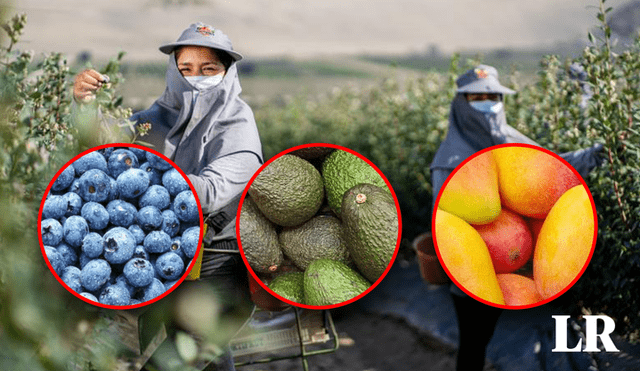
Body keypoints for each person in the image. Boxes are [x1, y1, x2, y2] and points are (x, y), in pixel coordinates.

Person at [73, 22, 263, 371]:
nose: (196, 79)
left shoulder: (238, 125)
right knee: (198, 353)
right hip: (168, 256)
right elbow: (107, 152)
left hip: (221, 258)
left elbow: (208, 192)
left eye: (209, 70)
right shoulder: (155, 119)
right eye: (186, 69)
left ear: (227, 73)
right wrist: (86, 106)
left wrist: (144, 181)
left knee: (188, 350)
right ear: (173, 71)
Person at [429, 64, 603, 371]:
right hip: (477, 274)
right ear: (461, 104)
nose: (487, 103)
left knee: (483, 339)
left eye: (493, 96)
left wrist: (595, 154)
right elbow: (446, 226)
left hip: (517, 262)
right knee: (474, 343)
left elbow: (554, 170)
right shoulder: (450, 160)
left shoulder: (508, 139)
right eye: (477, 97)